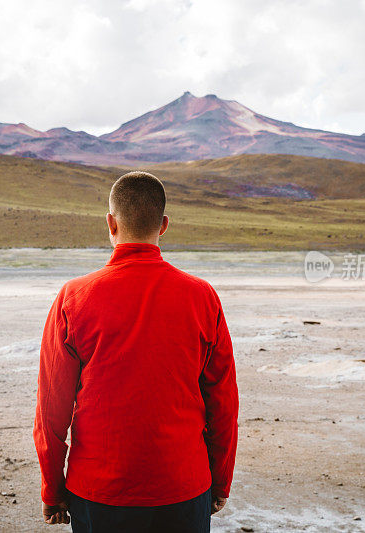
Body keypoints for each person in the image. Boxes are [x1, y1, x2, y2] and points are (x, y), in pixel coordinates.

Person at [33, 171, 239, 532]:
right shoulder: (202, 297)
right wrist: (219, 480)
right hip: (184, 488)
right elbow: (223, 403)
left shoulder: (73, 298)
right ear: (163, 225)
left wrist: (52, 489)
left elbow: (52, 412)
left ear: (110, 223)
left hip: (98, 491)